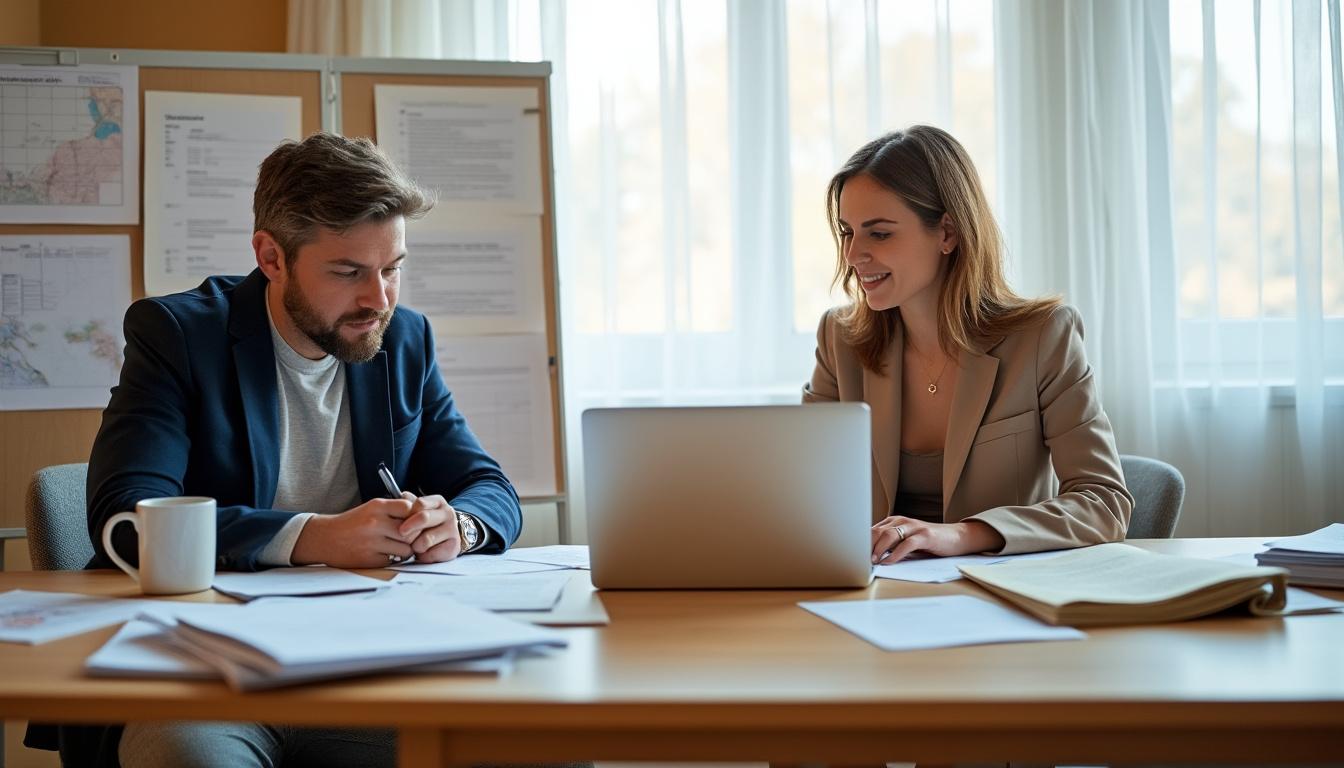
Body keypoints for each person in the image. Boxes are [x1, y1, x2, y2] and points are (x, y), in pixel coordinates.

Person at [78, 132, 519, 767]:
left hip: (371, 656)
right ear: (270, 256)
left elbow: (488, 487)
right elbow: (127, 516)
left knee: (538, 745)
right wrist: (314, 536)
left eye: (392, 269)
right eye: (348, 272)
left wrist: (461, 526)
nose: (379, 299)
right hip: (206, 665)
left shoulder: (406, 339)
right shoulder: (177, 335)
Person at [803, 126, 1133, 565]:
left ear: (948, 233)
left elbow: (1104, 502)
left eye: (879, 234)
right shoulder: (839, 340)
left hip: (1003, 596)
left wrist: (959, 535)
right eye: (847, 232)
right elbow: (802, 492)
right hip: (871, 594)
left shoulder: (1043, 338)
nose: (852, 255)